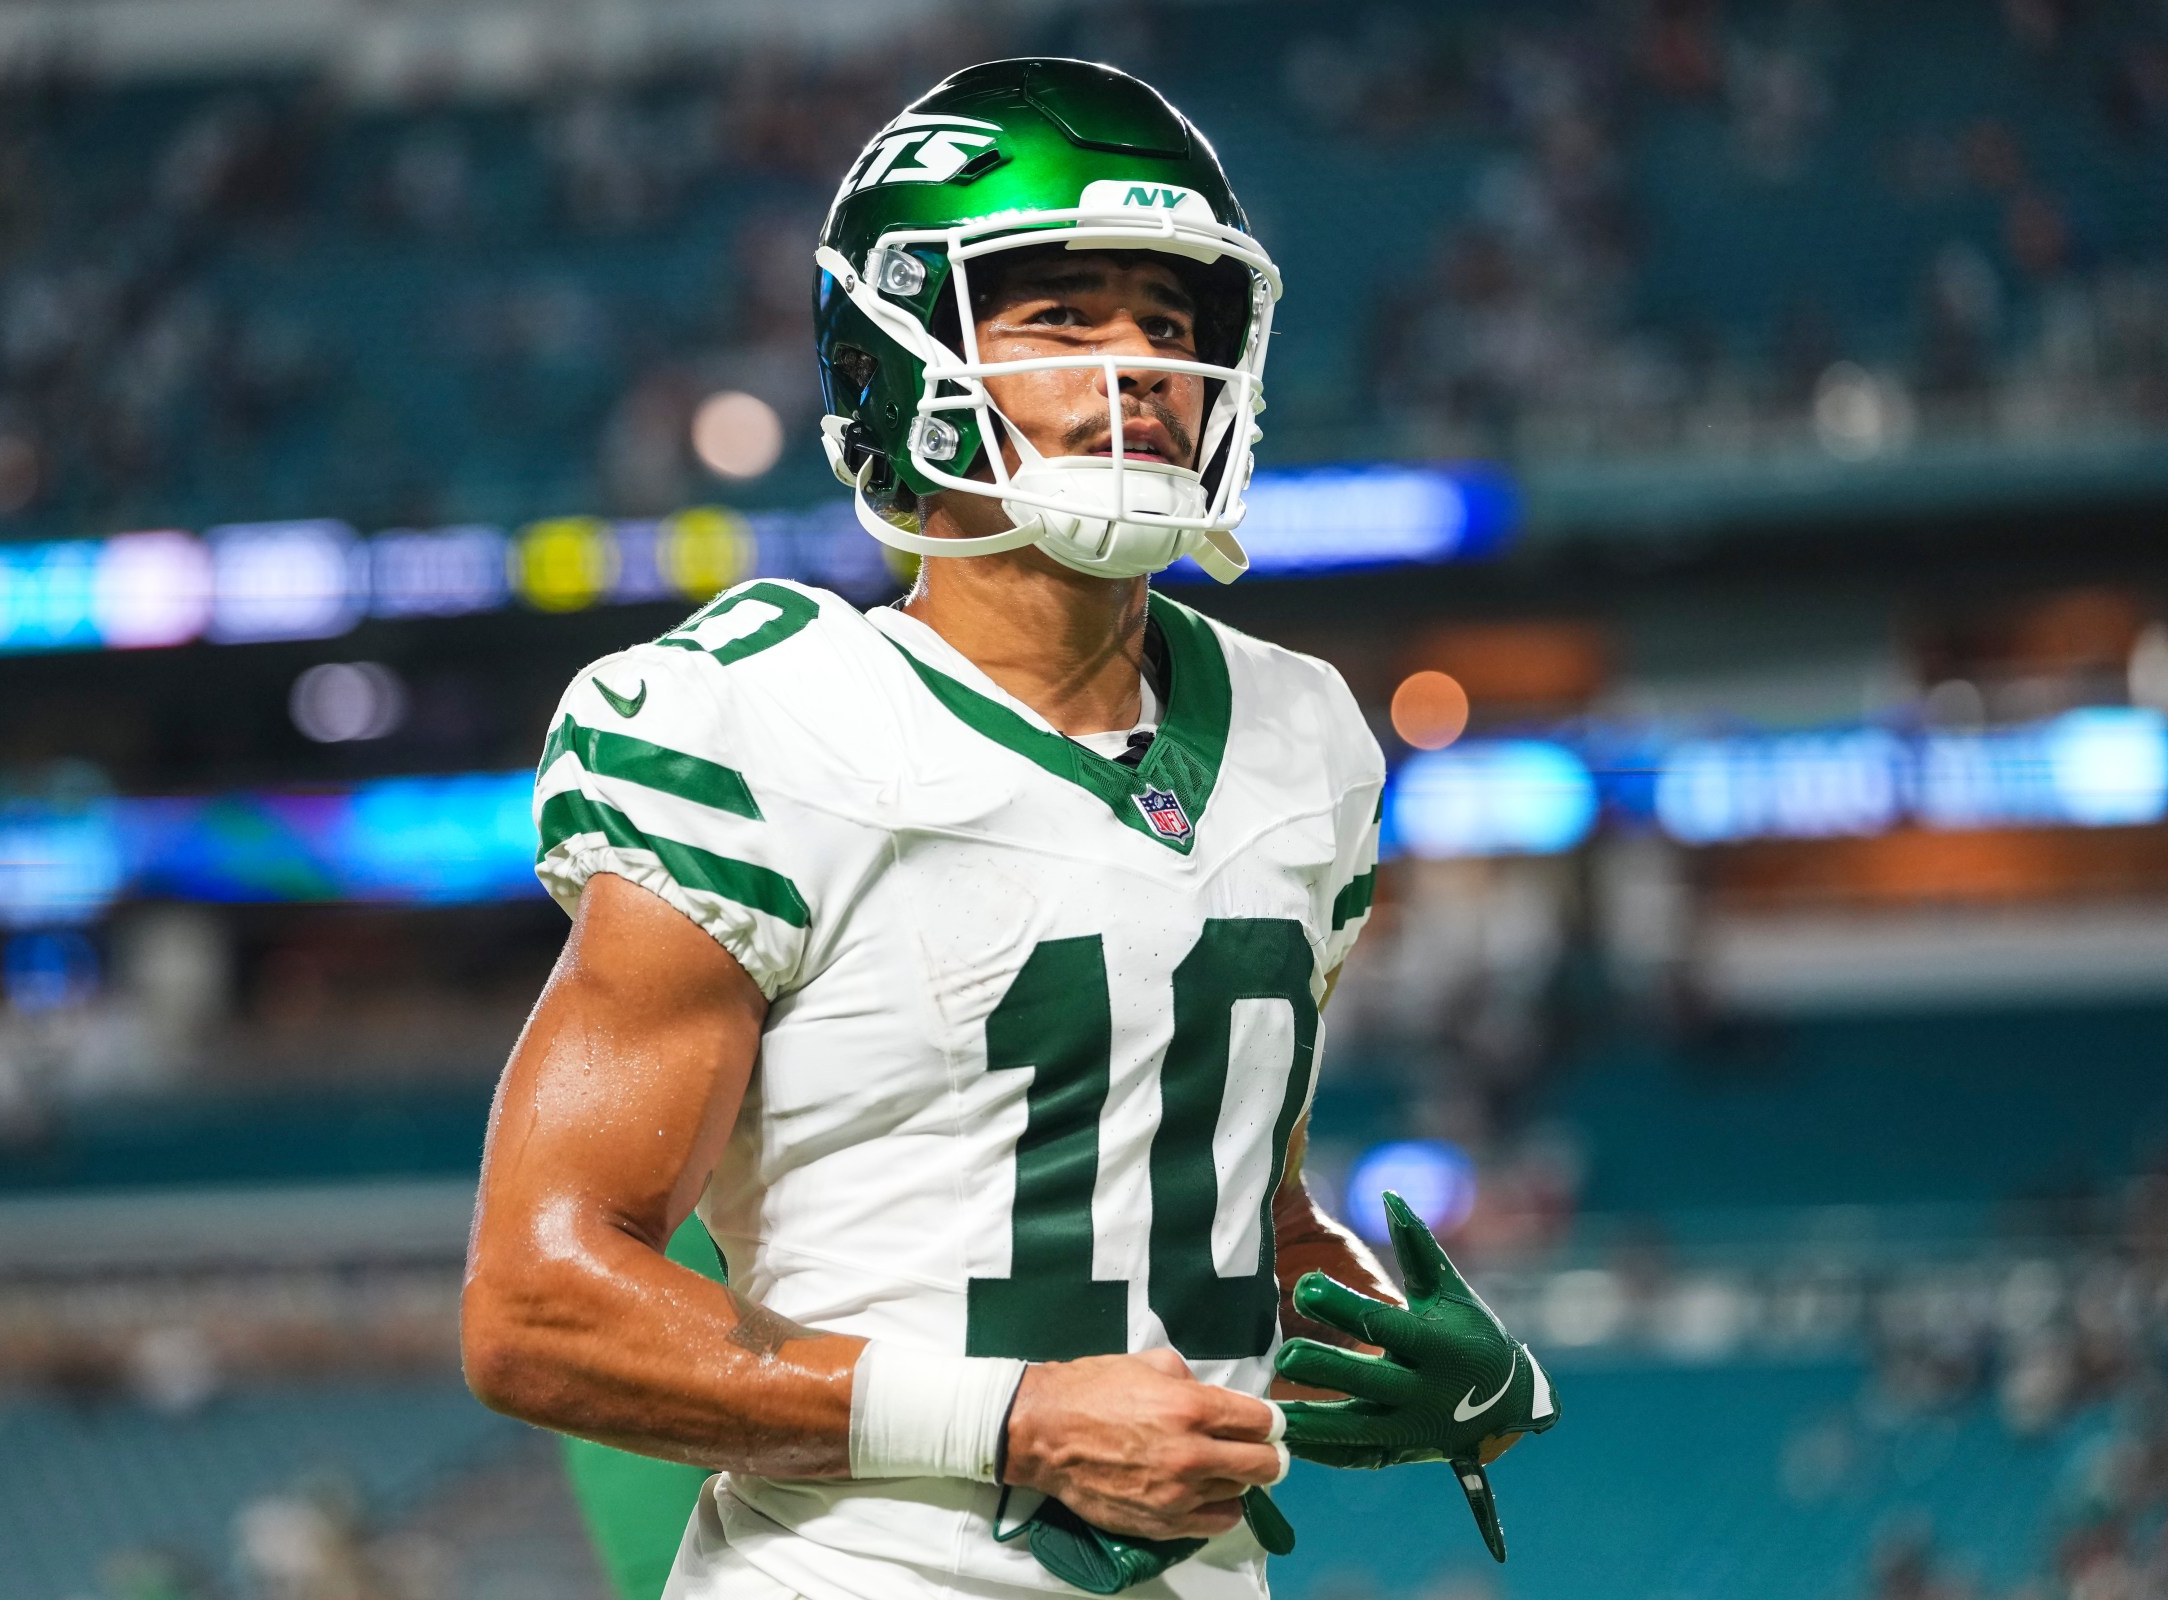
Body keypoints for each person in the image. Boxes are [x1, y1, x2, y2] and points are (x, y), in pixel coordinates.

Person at [463, 57, 1556, 1600]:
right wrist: (1017, 1420)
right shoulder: (760, 719)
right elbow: (538, 1308)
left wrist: (1389, 1340)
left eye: (1171, 326)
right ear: (899, 359)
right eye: (1063, 318)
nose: (1145, 370)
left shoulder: (1305, 736)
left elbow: (1223, 1207)